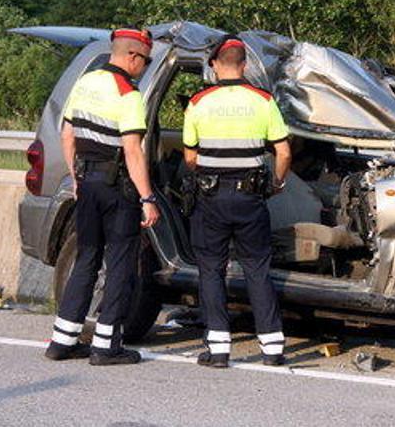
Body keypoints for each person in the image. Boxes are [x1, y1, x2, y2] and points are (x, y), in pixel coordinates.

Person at [45, 26, 161, 366]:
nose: (145, 66)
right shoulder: (128, 93)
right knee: (121, 263)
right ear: (132, 56)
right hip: (117, 189)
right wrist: (148, 198)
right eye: (146, 60)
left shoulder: (85, 82)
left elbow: (67, 136)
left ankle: (62, 341)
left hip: (86, 182)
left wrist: (77, 178)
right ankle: (107, 346)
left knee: (86, 258)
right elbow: (133, 152)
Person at [183, 35, 291, 368]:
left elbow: (190, 157)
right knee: (258, 269)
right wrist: (275, 183)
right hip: (251, 197)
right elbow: (283, 152)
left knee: (211, 270)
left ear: (215, 66)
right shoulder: (263, 100)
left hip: (212, 198)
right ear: (243, 65)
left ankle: (218, 350)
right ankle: (272, 348)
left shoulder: (198, 102)